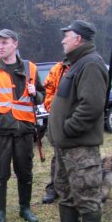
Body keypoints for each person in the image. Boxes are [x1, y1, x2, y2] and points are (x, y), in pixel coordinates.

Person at [40, 20, 108, 222]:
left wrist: (68, 128)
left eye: (66, 36)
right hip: (65, 144)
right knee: (65, 188)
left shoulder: (90, 64)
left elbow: (91, 106)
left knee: (86, 190)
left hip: (80, 145)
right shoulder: (76, 64)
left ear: (78, 38)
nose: (62, 40)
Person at [0, 29, 45, 222]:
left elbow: (42, 95)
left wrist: (35, 95)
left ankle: (25, 209)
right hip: (1, 132)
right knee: (0, 173)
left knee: (25, 172)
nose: (1, 47)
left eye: (5, 42)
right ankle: (0, 213)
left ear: (15, 44)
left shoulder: (31, 68)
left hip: (25, 131)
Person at [40, 60, 68, 204]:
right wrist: (53, 109)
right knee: (58, 155)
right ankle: (53, 189)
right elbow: (48, 90)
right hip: (57, 118)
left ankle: (70, 189)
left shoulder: (84, 66)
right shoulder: (58, 69)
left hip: (75, 119)